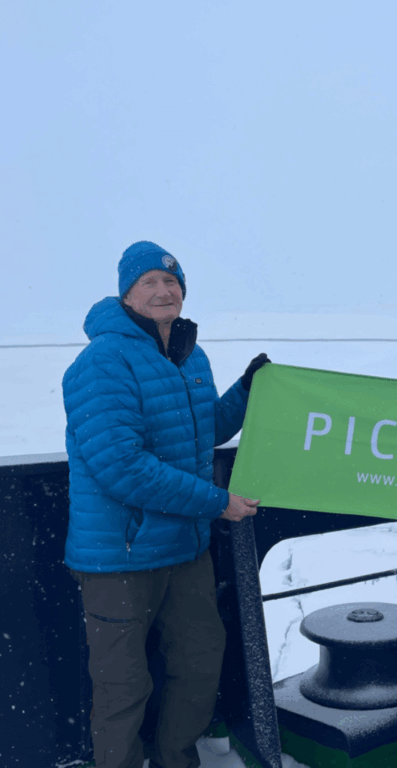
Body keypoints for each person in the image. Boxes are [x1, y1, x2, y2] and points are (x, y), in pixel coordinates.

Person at [63, 241, 269, 768]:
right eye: (150, 282)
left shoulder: (188, 355)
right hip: (120, 556)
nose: (164, 291)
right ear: (127, 294)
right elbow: (121, 466)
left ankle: (176, 759)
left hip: (184, 549)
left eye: (172, 282)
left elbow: (204, 434)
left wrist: (247, 391)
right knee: (123, 686)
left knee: (200, 662)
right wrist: (217, 502)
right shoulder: (102, 362)